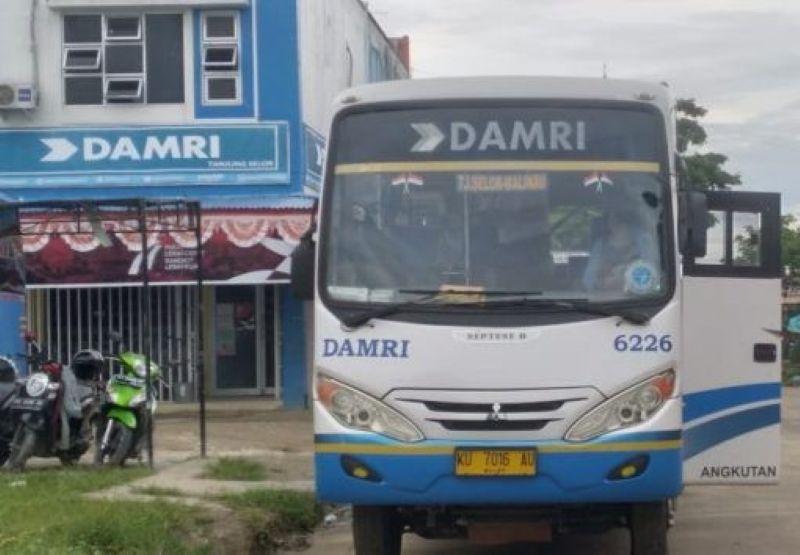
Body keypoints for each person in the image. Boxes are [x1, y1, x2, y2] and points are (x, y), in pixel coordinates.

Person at [582, 208, 660, 294]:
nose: (613, 224)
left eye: (619, 219)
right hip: (602, 299)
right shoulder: (600, 245)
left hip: (640, 300)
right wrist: (602, 282)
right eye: (611, 219)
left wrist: (625, 278)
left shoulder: (645, 242)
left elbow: (654, 278)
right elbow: (588, 281)